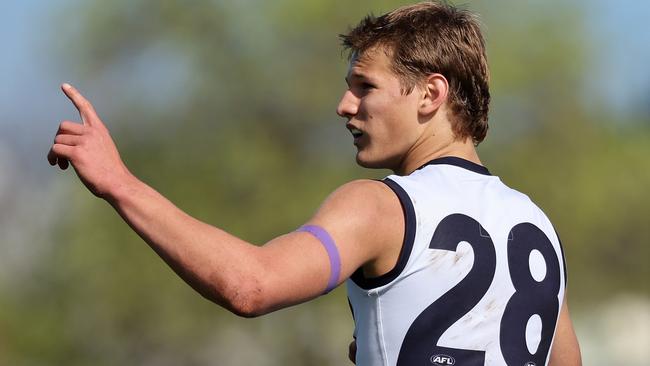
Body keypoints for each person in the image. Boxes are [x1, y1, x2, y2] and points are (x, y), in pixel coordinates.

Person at [47, 1, 581, 365]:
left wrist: (120, 183)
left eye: (364, 86)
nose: (344, 106)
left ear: (430, 94)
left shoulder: (380, 208)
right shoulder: (537, 224)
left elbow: (251, 285)